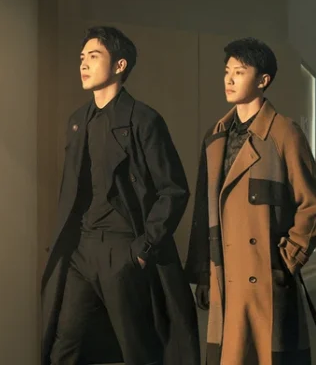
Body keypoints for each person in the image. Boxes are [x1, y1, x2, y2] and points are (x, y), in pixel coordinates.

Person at [41, 26, 199, 365]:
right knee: (64, 347)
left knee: (137, 350)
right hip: (81, 250)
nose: (83, 64)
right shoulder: (77, 121)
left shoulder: (144, 120)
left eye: (93, 56)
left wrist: (142, 250)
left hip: (123, 250)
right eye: (81, 57)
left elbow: (174, 189)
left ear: (119, 65)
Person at [184, 37, 316, 365]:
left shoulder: (285, 133)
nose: (229, 79)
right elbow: (204, 211)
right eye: (227, 71)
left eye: (239, 72)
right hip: (224, 278)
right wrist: (203, 274)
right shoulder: (215, 137)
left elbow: (313, 205)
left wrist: (286, 260)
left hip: (266, 282)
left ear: (263, 80)